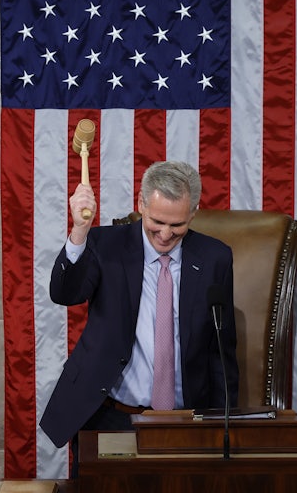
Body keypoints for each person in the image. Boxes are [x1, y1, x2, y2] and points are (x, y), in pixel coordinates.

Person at [39, 161, 239, 476]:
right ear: (141, 204)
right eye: (157, 221)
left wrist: (222, 426)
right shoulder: (106, 245)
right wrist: (79, 231)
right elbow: (65, 293)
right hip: (111, 415)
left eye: (177, 225)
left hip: (185, 420)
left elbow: (221, 350)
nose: (165, 234)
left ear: (194, 212)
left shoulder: (215, 258)